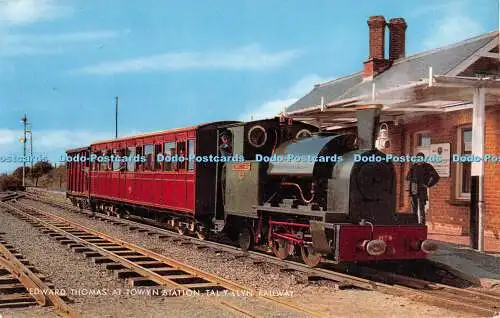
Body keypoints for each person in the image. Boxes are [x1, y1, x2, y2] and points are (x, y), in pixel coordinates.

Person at [406, 152, 440, 224]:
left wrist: (428, 185)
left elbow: (435, 176)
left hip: (422, 190)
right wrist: (409, 189)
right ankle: (414, 223)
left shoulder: (427, 166)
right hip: (414, 189)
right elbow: (408, 178)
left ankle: (422, 224)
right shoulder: (413, 167)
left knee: (421, 208)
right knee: (414, 208)